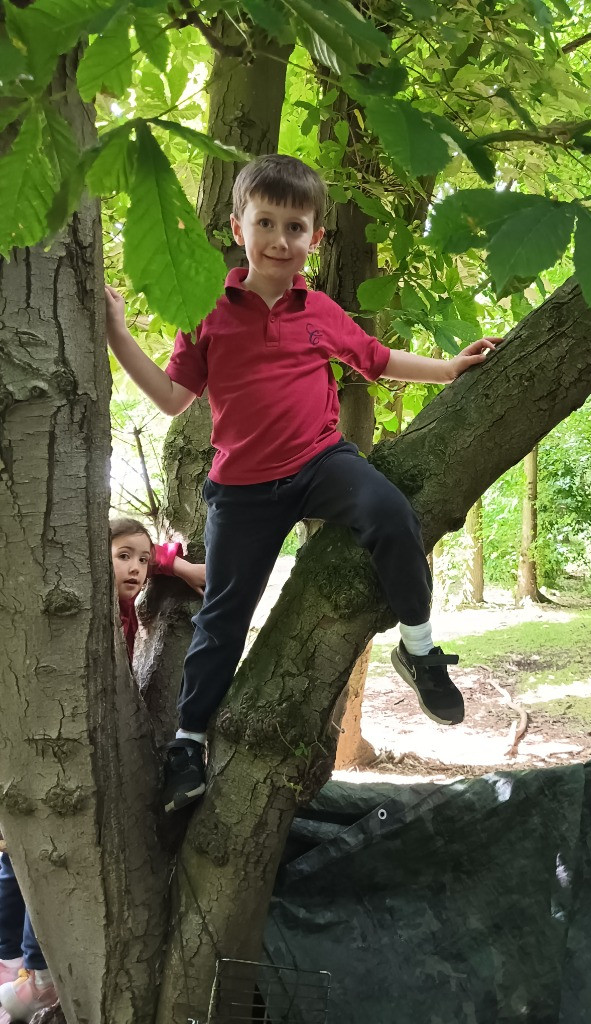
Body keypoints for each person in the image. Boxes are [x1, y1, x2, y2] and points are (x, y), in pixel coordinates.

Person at [104, 153, 500, 815]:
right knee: (223, 619)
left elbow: (375, 360)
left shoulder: (318, 310)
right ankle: (188, 746)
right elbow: (174, 397)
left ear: (314, 238)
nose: (280, 239)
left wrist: (448, 369)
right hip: (242, 490)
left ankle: (421, 650)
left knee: (393, 515)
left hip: (321, 464)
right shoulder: (207, 311)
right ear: (239, 227)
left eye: (296, 226)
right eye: (267, 222)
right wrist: (117, 335)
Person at [0, 519, 205, 1023]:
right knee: (29, 855)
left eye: (141, 559)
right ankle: (26, 969)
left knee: (29, 857)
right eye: (122, 557)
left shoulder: (120, 605)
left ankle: (24, 971)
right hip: (42, 742)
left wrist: (177, 565)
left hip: (82, 742)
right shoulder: (81, 606)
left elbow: (151, 553)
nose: (135, 567)